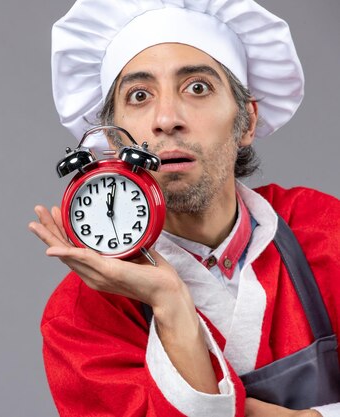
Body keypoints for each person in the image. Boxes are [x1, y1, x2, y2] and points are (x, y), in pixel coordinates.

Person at [28, 1, 340, 416]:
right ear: (116, 143)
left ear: (245, 121)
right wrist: (171, 302)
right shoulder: (81, 319)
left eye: (197, 87)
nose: (166, 118)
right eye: (139, 95)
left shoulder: (324, 229)